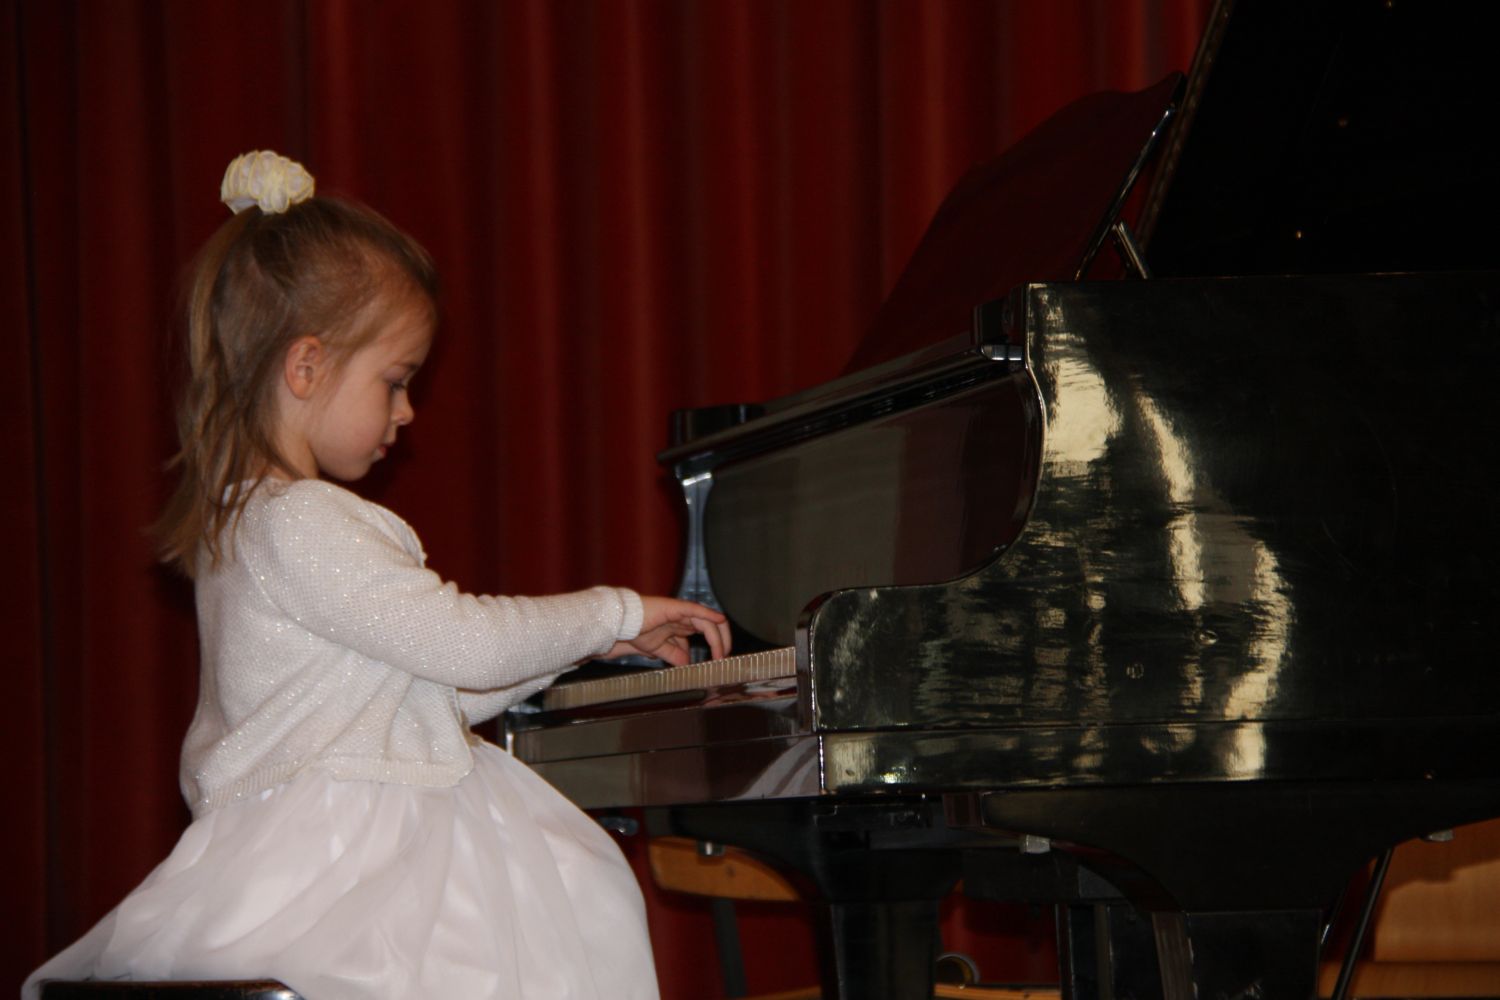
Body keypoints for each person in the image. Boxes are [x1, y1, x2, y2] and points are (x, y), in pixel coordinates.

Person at [23, 150, 729, 1000]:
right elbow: (465, 645)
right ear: (307, 366)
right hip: (346, 865)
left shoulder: (250, 522)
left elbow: (428, 694)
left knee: (573, 887)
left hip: (302, 850)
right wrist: (613, 609)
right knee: (573, 894)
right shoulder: (303, 520)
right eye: (395, 382)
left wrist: (590, 644)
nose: (407, 410)